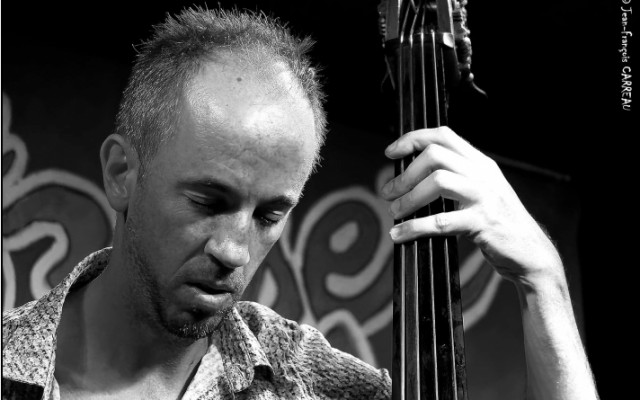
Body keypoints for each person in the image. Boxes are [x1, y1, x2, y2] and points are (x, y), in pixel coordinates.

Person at [2, 7, 599, 400]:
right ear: (121, 173)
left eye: (269, 215)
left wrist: (543, 283)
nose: (234, 251)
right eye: (209, 200)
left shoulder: (309, 382)